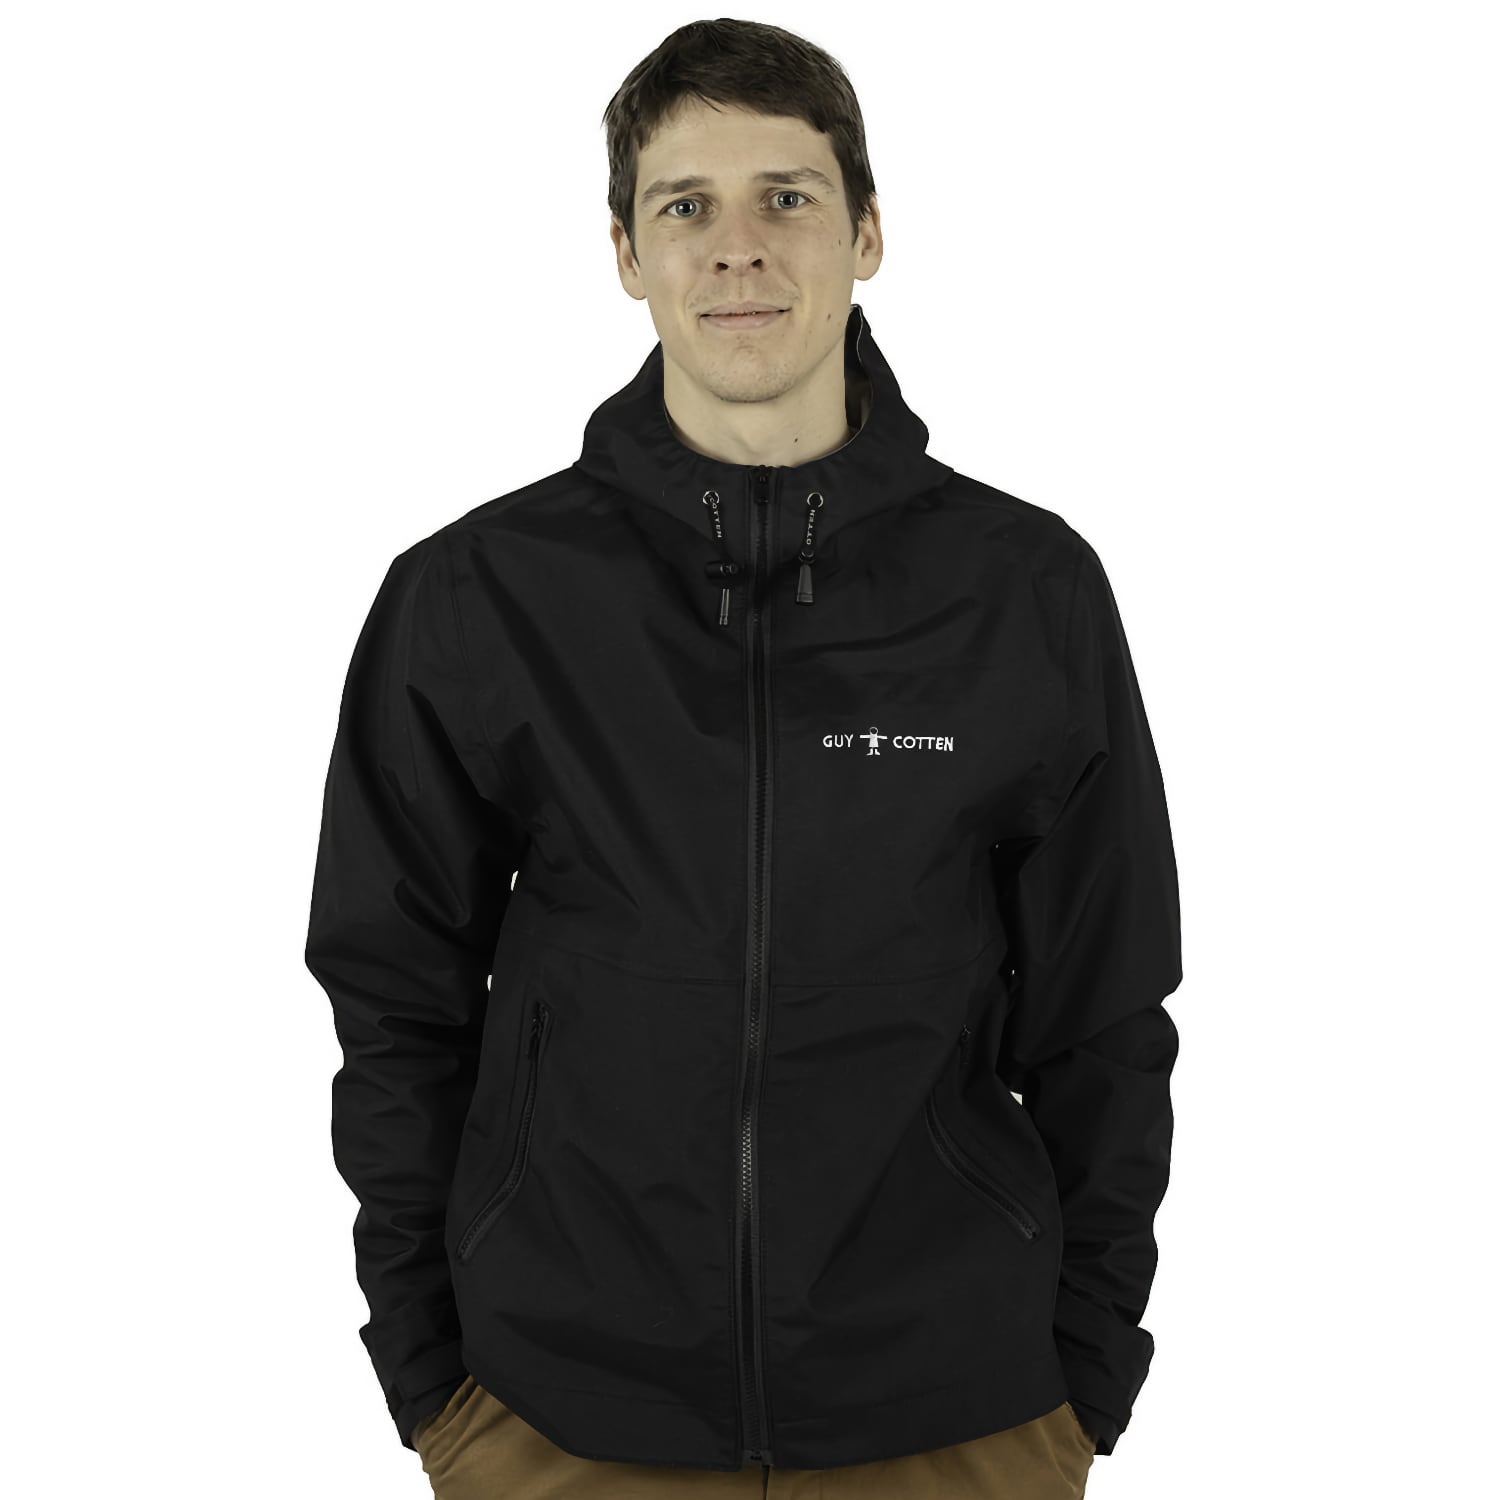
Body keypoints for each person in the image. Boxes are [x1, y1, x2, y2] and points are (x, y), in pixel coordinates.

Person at [304, 18, 1182, 1500]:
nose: (737, 248)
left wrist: (1085, 1373)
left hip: (957, 1415)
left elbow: (1107, 1009)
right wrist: (431, 1375)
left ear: (869, 232)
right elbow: (393, 1001)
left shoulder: (1025, 590)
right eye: (684, 205)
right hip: (558, 1417)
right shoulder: (478, 596)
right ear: (626, 253)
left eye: (787, 196)